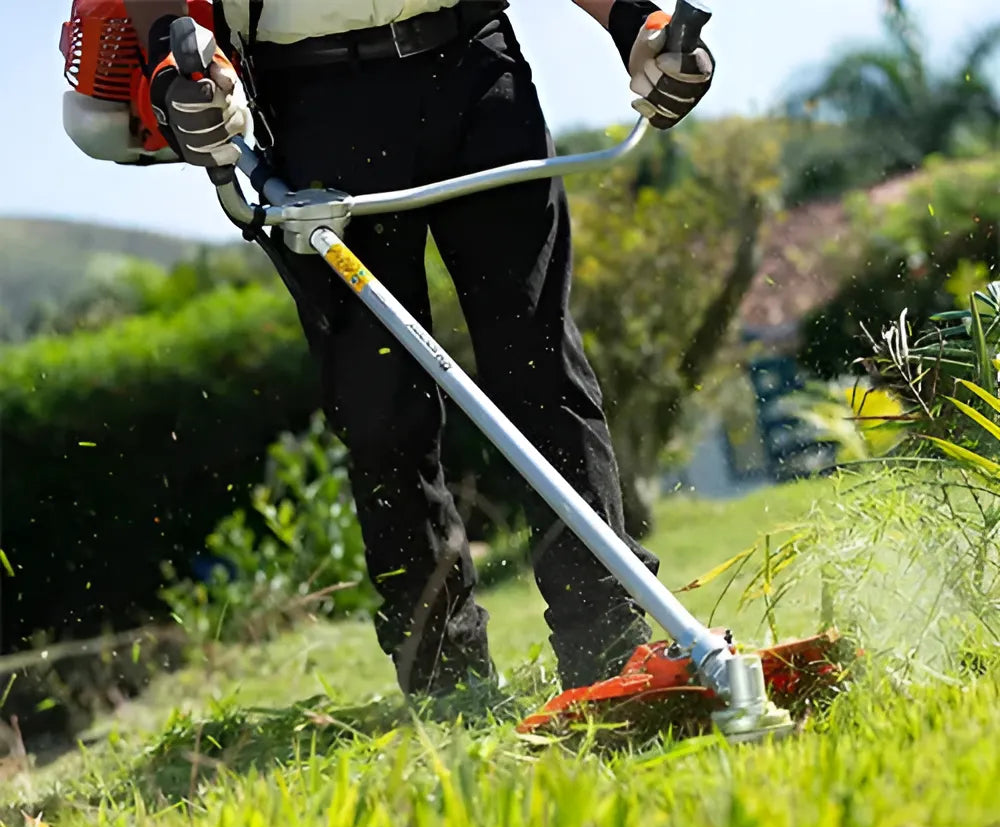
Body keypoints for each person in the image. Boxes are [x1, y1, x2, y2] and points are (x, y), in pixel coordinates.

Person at [130, 0, 715, 698]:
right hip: (312, 102)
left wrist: (634, 21)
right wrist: (170, 61)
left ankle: (610, 649)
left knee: (541, 367)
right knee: (381, 410)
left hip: (477, 73)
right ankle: (447, 682)